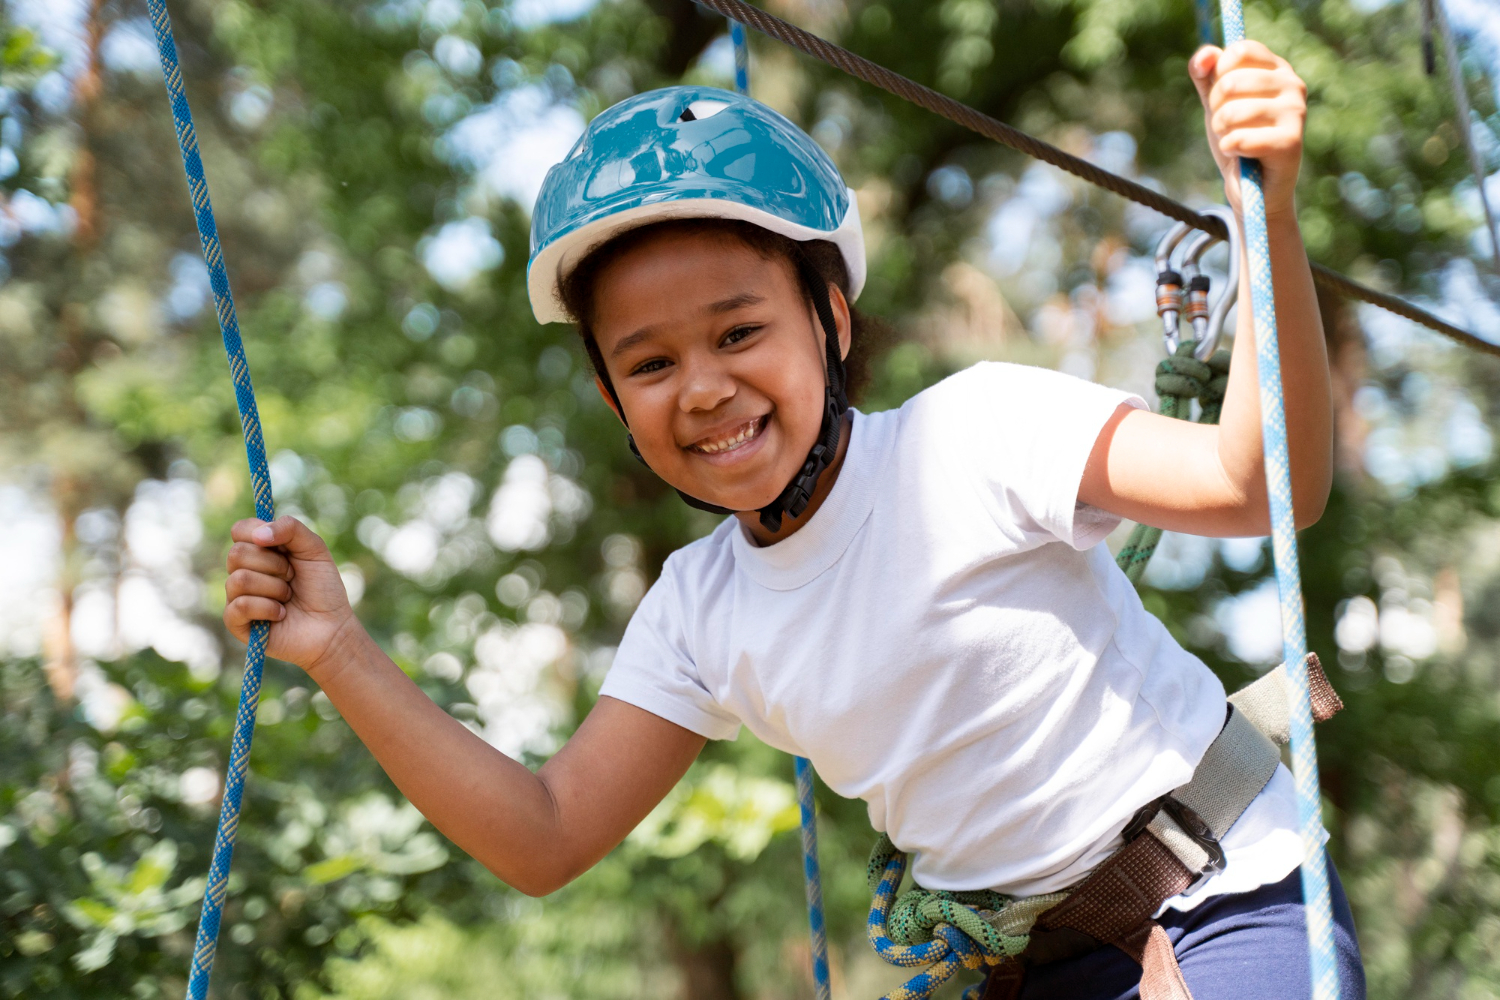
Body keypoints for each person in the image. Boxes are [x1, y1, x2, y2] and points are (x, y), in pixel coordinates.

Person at [223, 41, 1364, 999]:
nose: (703, 388)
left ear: (827, 315)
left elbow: (1255, 485)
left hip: (1226, 896)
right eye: (650, 362)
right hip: (1040, 968)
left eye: (736, 333)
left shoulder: (976, 434)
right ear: (614, 397)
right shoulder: (702, 613)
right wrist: (338, 650)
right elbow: (547, 832)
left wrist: (1263, 213)